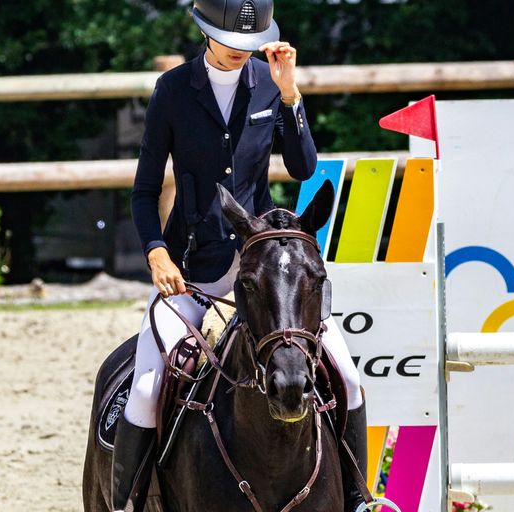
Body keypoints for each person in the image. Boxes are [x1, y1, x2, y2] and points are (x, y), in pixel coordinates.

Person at [112, 1, 366, 510]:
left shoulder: (270, 85)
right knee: (145, 388)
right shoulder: (173, 90)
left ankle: (359, 499)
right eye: (231, 42)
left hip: (266, 270)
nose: (240, 52)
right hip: (192, 270)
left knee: (348, 376)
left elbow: (303, 168)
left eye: (250, 44)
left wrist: (290, 93)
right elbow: (144, 192)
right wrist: (157, 253)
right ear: (206, 30)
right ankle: (127, 503)